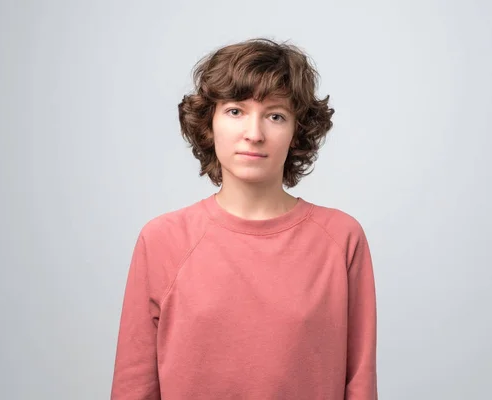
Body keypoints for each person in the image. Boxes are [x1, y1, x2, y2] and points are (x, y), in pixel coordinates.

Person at [110, 38, 378, 400]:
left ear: (297, 132)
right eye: (235, 111)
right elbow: (133, 388)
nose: (254, 134)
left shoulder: (341, 239)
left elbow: (359, 385)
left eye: (275, 116)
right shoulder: (162, 240)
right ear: (209, 123)